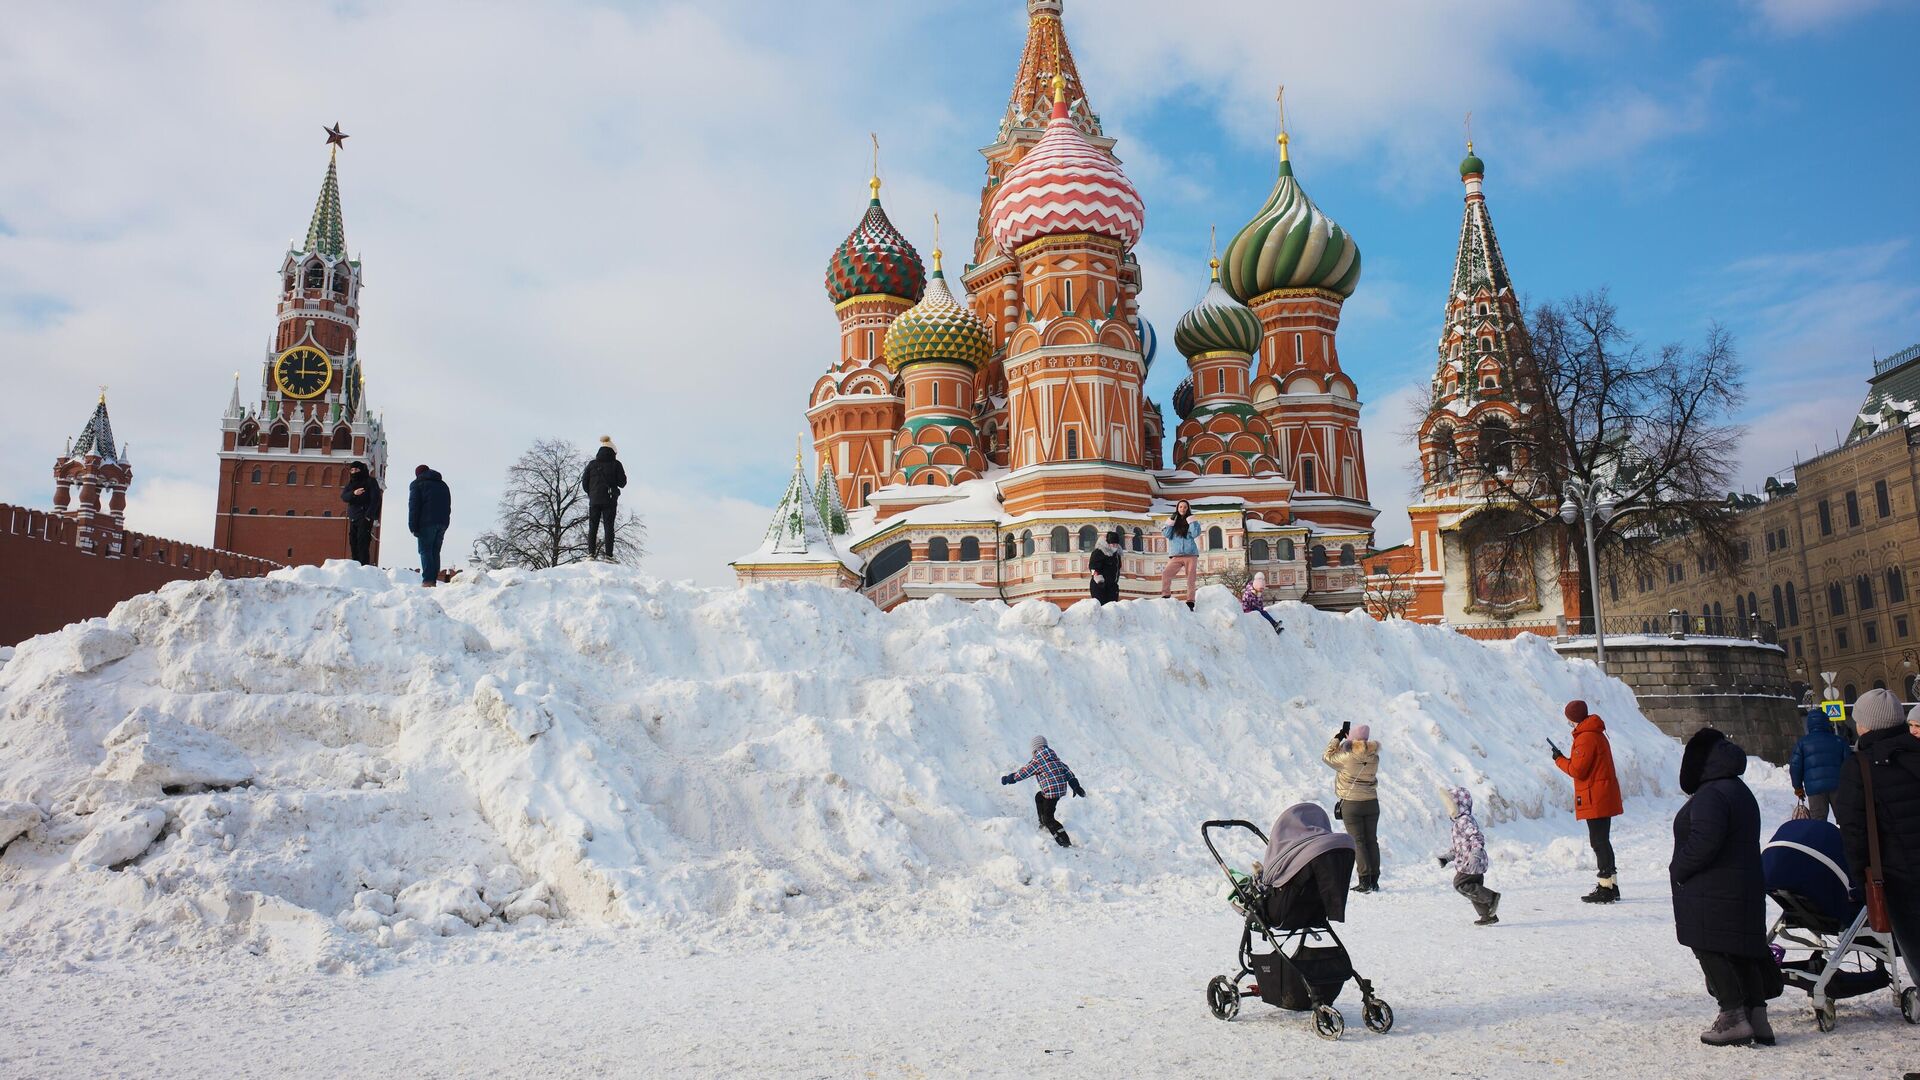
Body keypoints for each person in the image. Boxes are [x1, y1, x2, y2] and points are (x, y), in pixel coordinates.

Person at [1671, 727, 1781, 1047]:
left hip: (1714, 888)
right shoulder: (1736, 789)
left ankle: (1732, 1016)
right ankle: (1757, 1018)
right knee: (1742, 950)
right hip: (1739, 885)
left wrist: (1680, 867)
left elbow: (1705, 842)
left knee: (1709, 947)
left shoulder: (1712, 794)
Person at [1833, 689, 1920, 991]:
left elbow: (1854, 833)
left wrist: (1863, 880)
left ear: (1865, 725)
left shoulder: (1859, 767)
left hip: (1901, 881)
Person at [1553, 699, 1624, 903]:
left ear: (1573, 719)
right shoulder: (1596, 733)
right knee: (1603, 840)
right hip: (1602, 793)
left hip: (1595, 795)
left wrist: (1559, 759)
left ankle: (1606, 887)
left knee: (1598, 841)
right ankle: (1611, 884)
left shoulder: (1586, 738)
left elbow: (1577, 770)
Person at [1323, 721, 1382, 892]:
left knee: (1358, 842)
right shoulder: (1374, 757)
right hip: (1372, 803)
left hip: (1352, 804)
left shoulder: (1346, 757)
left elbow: (1327, 756)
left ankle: (1364, 881)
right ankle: (1374, 880)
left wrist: (1338, 738)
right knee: (1372, 840)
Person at [1001, 735, 1085, 848]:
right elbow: (1068, 772)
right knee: (1039, 797)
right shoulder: (1055, 759)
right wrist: (1076, 786)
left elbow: (1024, 773)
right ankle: (1043, 823)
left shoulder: (1037, 761)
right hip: (1058, 789)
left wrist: (1009, 779)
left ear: (1034, 750)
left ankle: (1064, 840)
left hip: (1051, 792)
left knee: (1049, 818)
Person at [1437, 785, 1500, 925]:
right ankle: (1487, 916)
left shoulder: (1464, 821)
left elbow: (1476, 837)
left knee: (1461, 884)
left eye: (1450, 805)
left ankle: (1491, 897)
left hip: (1472, 861)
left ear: (1458, 805)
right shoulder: (1459, 822)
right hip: (1470, 861)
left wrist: (1475, 854)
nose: (1448, 809)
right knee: (1474, 888)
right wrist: (1447, 858)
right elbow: (1459, 847)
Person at [1789, 707, 1851, 822]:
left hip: (1815, 789)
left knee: (1818, 821)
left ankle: (1822, 839)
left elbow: (1795, 767)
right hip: (1838, 786)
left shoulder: (1802, 743)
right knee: (1845, 819)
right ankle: (1845, 839)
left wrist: (1798, 788)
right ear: (1827, 722)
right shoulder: (1839, 741)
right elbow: (1850, 764)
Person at [580, 436, 627, 561]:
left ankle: (590, 554)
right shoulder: (616, 464)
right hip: (610, 500)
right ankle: (608, 556)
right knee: (609, 527)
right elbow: (622, 483)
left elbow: (584, 483)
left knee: (593, 526)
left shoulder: (592, 464)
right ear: (613, 451)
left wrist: (592, 493)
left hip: (594, 500)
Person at [407, 465, 452, 588]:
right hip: (442, 523)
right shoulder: (443, 485)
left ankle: (428, 581)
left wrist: (412, 526)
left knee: (425, 550)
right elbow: (448, 506)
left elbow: (414, 507)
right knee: (435, 551)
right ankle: (433, 580)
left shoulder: (417, 484)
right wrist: (445, 523)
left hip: (426, 523)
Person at [1159, 500, 1201, 607]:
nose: (1183, 509)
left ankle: (1190, 601)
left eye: (1185, 507)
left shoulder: (1192, 521)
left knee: (1191, 578)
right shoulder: (1173, 522)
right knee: (1166, 573)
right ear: (1177, 508)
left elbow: (1196, 533)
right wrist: (1171, 521)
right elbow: (1167, 534)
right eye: (1181, 507)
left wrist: (1191, 521)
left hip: (1190, 554)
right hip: (1176, 555)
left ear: (1188, 509)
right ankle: (1166, 595)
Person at [340, 461, 382, 566]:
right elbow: (344, 496)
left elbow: (376, 499)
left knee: (362, 542)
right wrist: (354, 493)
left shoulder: (370, 482)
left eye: (356, 470)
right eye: (352, 470)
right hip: (353, 517)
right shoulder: (351, 484)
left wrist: (369, 515)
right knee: (353, 542)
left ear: (361, 470)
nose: (354, 472)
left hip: (364, 517)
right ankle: (356, 567)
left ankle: (364, 567)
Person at [1089, 529, 1123, 605]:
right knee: (1102, 607)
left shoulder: (1116, 555)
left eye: (1116, 545)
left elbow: (1117, 568)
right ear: (1108, 543)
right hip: (1100, 585)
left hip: (1112, 586)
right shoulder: (1099, 552)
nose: (1115, 546)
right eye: (1113, 544)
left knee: (1112, 607)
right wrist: (1098, 578)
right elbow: (1092, 568)